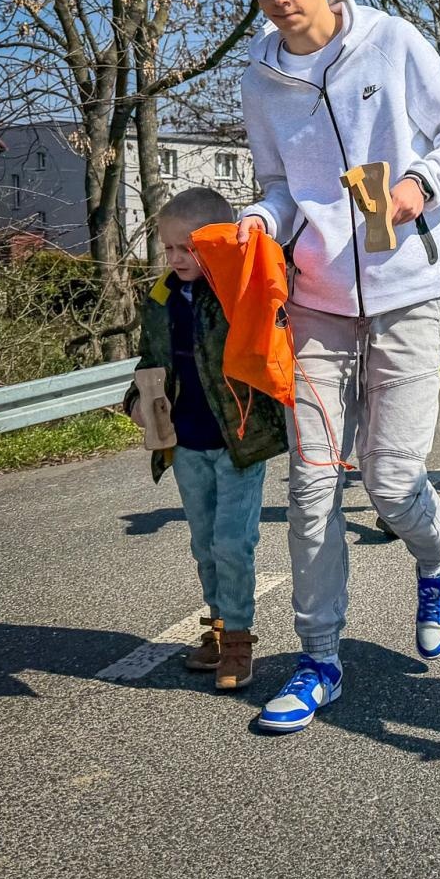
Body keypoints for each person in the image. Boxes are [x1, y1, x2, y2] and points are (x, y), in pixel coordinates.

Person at [235, 0, 440, 733]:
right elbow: (279, 186)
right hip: (315, 305)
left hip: (411, 291)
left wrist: (418, 186)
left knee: (386, 479)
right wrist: (261, 222)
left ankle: (439, 557)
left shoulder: (393, 42)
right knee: (310, 487)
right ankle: (318, 660)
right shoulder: (258, 78)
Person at [126, 188, 289, 693]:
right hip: (186, 442)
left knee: (233, 543)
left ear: (217, 244)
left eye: (188, 249)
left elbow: (275, 322)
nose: (176, 260)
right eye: (169, 249)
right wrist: (136, 398)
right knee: (204, 544)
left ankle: (239, 638)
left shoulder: (239, 290)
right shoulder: (160, 298)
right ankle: (218, 629)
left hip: (239, 441)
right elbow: (149, 359)